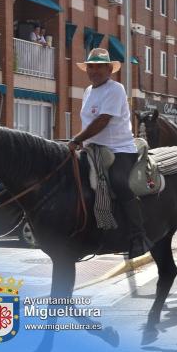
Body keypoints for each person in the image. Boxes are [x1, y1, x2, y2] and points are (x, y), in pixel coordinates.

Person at [69, 48, 152, 259]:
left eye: (99, 67)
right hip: (92, 148)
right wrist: (81, 142)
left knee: (119, 182)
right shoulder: (88, 90)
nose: (94, 70)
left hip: (119, 149)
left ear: (109, 69)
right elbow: (89, 122)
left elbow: (102, 121)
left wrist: (77, 139)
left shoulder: (116, 89)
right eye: (91, 66)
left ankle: (138, 236)